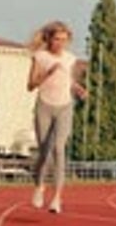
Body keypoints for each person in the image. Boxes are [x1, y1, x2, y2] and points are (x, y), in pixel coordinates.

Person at [27, 20, 87, 214]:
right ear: (49, 39)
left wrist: (79, 89)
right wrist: (48, 73)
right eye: (57, 39)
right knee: (44, 152)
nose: (61, 43)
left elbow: (69, 80)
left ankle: (57, 198)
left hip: (65, 107)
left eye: (64, 40)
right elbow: (30, 85)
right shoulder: (40, 57)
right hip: (44, 106)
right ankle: (39, 187)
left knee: (59, 149)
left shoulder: (70, 59)